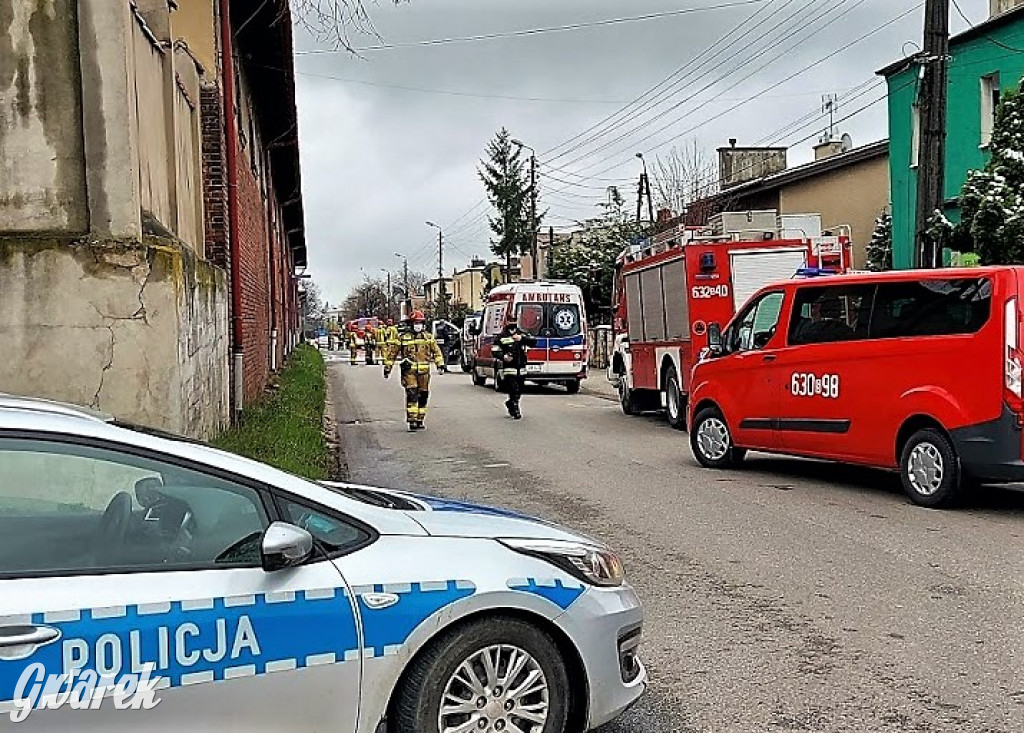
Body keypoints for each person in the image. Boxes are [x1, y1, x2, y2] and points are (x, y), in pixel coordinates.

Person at [383, 311, 446, 431]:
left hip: (424, 374)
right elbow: (392, 353)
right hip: (409, 373)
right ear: (411, 324)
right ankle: (412, 420)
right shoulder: (403, 338)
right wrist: (387, 368)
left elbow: (436, 352)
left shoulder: (428, 337)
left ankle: (420, 420)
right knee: (412, 395)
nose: (418, 325)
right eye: (415, 323)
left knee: (423, 396)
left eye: (419, 323)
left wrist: (440, 365)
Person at [492, 321, 537, 420]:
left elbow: (534, 342)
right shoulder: (501, 336)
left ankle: (510, 403)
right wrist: (503, 356)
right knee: (514, 388)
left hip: (521, 367)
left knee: (519, 389)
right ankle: (516, 409)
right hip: (509, 367)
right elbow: (495, 351)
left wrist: (522, 339)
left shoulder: (522, 333)